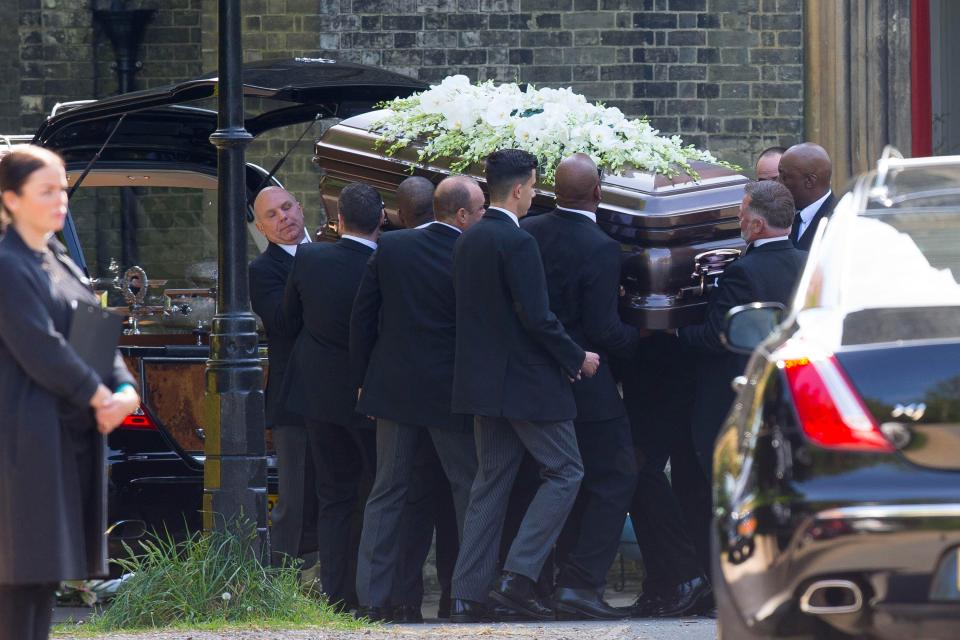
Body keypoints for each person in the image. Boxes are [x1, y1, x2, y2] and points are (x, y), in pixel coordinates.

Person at [449, 149, 599, 623]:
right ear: (519, 189)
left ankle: (466, 594)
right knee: (566, 471)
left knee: (489, 484)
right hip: (527, 384)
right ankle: (517, 577)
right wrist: (577, 357)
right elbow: (536, 317)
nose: (535, 194)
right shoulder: (518, 242)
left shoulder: (468, 240)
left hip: (483, 384)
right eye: (534, 186)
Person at [0, 146, 140, 640]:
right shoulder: (6, 264)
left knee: (39, 578)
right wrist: (99, 397)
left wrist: (124, 388)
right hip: (24, 439)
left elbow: (95, 328)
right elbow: (40, 345)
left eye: (63, 188)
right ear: (10, 199)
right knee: (18, 584)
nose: (61, 199)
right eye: (46, 191)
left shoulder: (56, 257)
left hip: (65, 435)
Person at [350, 176, 487, 622]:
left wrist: (364, 381)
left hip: (394, 391)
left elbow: (362, 319)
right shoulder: (470, 250)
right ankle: (470, 594)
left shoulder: (391, 248)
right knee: (468, 488)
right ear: (454, 210)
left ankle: (372, 597)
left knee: (387, 491)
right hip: (449, 392)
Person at [520, 154, 639, 620]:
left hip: (535, 379)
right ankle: (581, 583)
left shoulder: (528, 231)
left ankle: (553, 581)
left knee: (559, 480)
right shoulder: (602, 247)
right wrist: (641, 339)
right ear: (597, 193)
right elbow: (603, 328)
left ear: (552, 189)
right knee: (615, 476)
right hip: (589, 383)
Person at [281, 182, 384, 610]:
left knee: (333, 494)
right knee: (373, 491)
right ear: (382, 218)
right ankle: (366, 589)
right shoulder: (385, 262)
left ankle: (334, 593)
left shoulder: (311, 257)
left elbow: (286, 319)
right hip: (370, 394)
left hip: (319, 394)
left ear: (339, 220)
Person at [679, 180, 806, 477]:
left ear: (758, 225)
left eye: (741, 216)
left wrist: (675, 333)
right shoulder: (807, 261)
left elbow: (715, 336)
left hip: (738, 393)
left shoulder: (743, 271)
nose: (739, 220)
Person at [248, 186, 319, 571]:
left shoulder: (334, 250)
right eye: (272, 216)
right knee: (293, 495)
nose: (284, 218)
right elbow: (280, 322)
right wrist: (307, 271)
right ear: (261, 227)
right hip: (293, 395)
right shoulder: (262, 270)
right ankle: (278, 572)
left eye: (287, 208)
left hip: (341, 392)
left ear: (301, 207)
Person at [778, 142, 834, 250]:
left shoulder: (840, 222)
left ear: (809, 181)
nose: (778, 183)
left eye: (784, 177)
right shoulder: (777, 215)